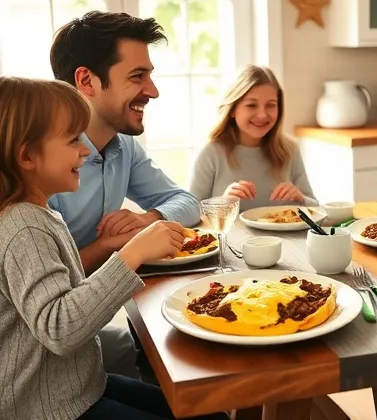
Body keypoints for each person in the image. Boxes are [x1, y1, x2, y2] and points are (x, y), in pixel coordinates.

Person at [0, 76, 228, 420]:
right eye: (73, 139)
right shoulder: (23, 226)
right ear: (27, 155)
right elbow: (60, 329)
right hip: (48, 409)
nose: (85, 149)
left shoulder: (38, 214)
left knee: (209, 413)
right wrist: (131, 254)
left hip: (80, 388)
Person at [48, 11, 201, 379]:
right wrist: (117, 246)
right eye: (137, 76)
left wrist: (149, 219)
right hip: (45, 351)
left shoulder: (124, 149)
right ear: (86, 80)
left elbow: (187, 201)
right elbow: (50, 297)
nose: (153, 90)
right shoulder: (39, 164)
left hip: (90, 318)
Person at [189, 65, 318, 211]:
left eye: (271, 105)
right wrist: (223, 203)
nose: (262, 114)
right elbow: (190, 212)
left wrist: (301, 198)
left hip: (284, 235)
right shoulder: (211, 153)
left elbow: (315, 207)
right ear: (233, 109)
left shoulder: (290, 150)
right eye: (251, 105)